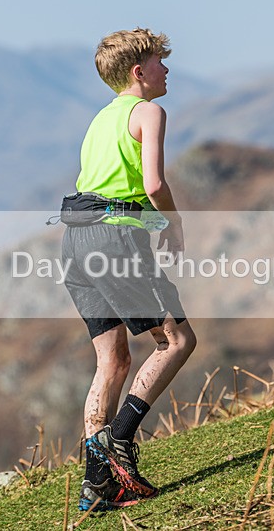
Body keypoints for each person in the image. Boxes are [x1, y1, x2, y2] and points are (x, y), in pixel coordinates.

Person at [60, 28, 197, 512]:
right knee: (177, 341)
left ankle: (97, 487)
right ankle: (117, 439)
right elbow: (153, 184)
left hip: (75, 241)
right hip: (113, 238)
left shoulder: (101, 118)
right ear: (139, 72)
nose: (167, 69)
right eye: (160, 61)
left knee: (112, 360)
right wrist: (173, 224)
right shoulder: (149, 112)